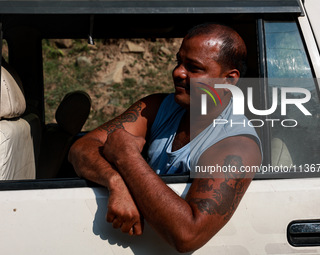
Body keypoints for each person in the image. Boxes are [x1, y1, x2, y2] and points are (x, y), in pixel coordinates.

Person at [68, 23, 262, 253]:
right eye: (178, 62)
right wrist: (115, 182)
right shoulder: (157, 107)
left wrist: (127, 157)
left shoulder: (238, 145)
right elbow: (81, 148)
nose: (178, 72)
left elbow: (188, 235)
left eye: (194, 68)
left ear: (228, 80)